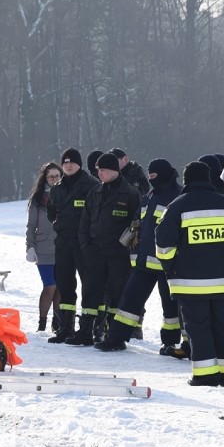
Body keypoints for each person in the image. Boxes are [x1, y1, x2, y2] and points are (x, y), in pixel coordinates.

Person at [155, 161, 224, 386]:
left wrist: (172, 269)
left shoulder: (177, 206)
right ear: (209, 179)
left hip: (190, 284)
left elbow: (163, 246)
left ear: (186, 179)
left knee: (198, 328)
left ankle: (205, 375)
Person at [94, 158, 182, 352]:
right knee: (129, 301)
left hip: (167, 263)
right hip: (143, 261)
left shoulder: (177, 196)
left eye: (154, 175)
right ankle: (116, 337)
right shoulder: (150, 195)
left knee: (170, 306)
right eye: (149, 175)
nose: (151, 178)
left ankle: (170, 342)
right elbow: (138, 221)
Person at [67, 152, 141, 346]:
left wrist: (124, 248)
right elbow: (84, 223)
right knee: (91, 293)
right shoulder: (95, 191)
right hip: (94, 253)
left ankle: (113, 334)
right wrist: (86, 247)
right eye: (99, 170)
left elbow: (136, 225)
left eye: (104, 170)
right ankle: (85, 332)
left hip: (118, 255)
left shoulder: (130, 193)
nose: (100, 173)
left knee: (116, 295)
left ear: (115, 170)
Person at [46, 148, 98, 343]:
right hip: (63, 242)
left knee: (89, 285)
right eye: (65, 162)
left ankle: (88, 329)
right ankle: (65, 327)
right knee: (65, 284)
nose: (68, 165)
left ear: (79, 164)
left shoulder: (91, 185)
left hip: (85, 243)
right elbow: (51, 212)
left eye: (72, 162)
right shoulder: (57, 188)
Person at [26, 162, 64, 332]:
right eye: (51, 176)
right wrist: (30, 247)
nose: (54, 179)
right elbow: (31, 225)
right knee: (50, 285)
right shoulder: (38, 199)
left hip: (63, 248)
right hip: (44, 248)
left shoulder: (66, 194)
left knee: (60, 287)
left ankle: (58, 322)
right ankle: (42, 323)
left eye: (57, 176)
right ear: (45, 179)